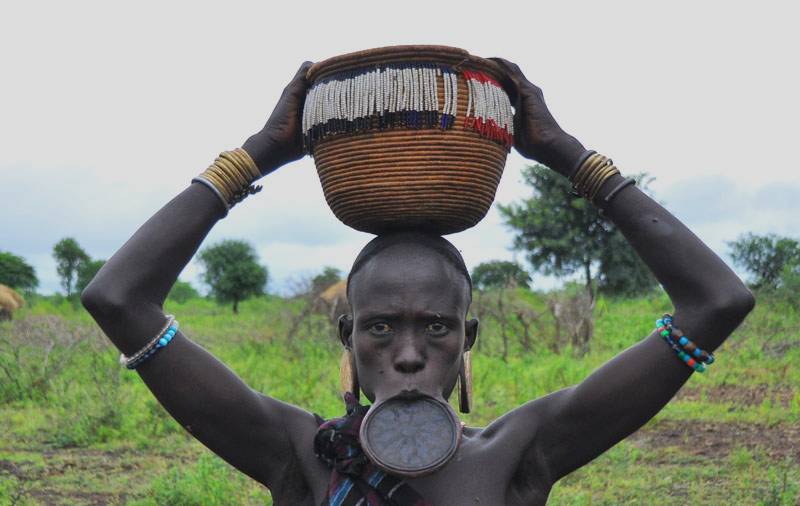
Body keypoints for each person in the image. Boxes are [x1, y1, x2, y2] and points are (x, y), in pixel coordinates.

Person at [81, 58, 755, 505]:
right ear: (345, 334)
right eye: (380, 327)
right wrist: (256, 153)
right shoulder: (298, 455)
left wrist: (566, 152)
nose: (407, 353)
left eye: (435, 327)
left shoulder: (520, 453)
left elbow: (717, 302)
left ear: (469, 338)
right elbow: (118, 298)